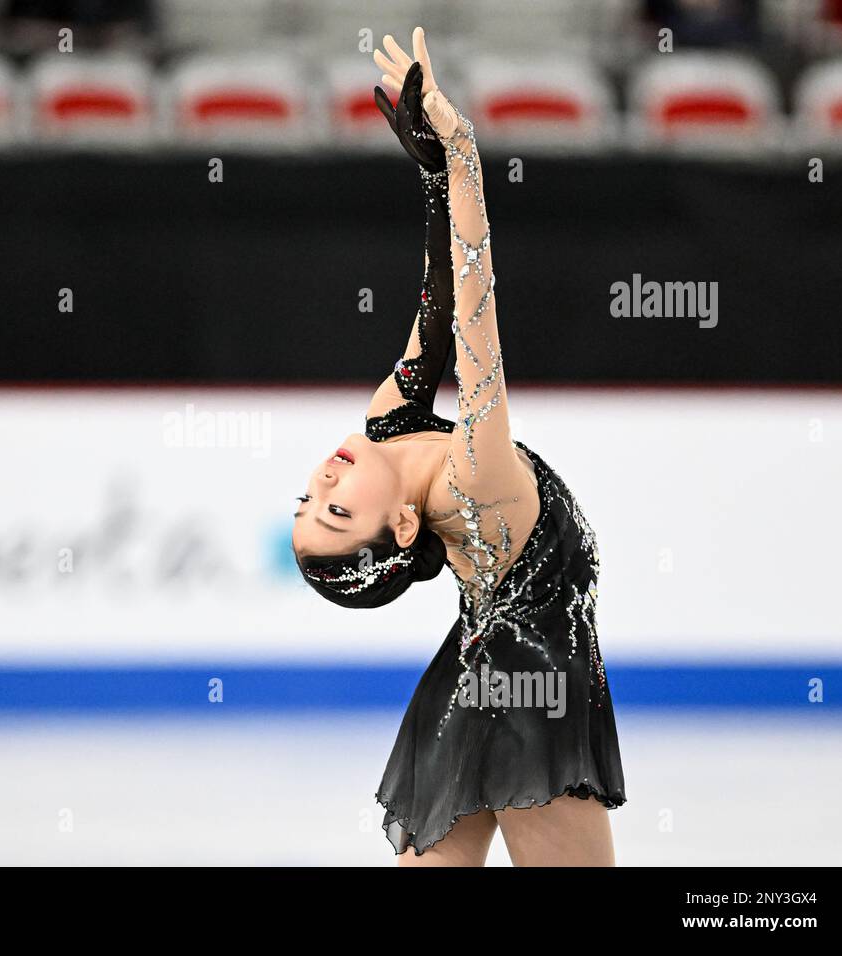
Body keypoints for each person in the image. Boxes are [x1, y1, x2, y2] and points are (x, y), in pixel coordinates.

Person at [291, 28, 627, 866]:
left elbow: (437, 306)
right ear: (404, 527)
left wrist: (430, 175)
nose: (320, 481)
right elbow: (478, 312)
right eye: (338, 512)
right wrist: (463, 154)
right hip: (529, 698)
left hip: (481, 672)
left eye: (309, 503)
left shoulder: (387, 423)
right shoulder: (473, 483)